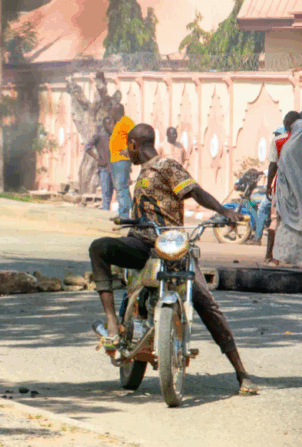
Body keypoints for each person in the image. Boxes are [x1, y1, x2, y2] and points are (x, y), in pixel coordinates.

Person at [88, 123, 258, 395]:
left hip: (172, 245)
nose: (128, 155)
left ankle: (241, 372)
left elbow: (196, 192)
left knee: (206, 303)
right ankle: (112, 322)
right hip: (141, 243)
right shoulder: (143, 171)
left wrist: (224, 211)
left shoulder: (166, 165)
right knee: (99, 248)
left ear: (133, 145)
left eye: (127, 149)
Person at [271, 114, 302, 267]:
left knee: (283, 225)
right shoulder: (290, 146)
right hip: (291, 196)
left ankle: (276, 259)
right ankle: (277, 259)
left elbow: (275, 166)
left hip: (288, 196)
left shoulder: (287, 144)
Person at [109, 105, 135, 218]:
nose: (110, 113)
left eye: (112, 110)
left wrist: (130, 150)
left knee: (121, 187)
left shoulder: (126, 122)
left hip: (122, 160)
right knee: (120, 187)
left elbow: (135, 136)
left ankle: (124, 215)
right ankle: (124, 212)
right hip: (115, 160)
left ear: (116, 111)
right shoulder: (118, 123)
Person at [84, 117, 115, 210]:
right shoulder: (99, 136)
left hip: (115, 168)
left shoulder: (116, 136)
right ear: (104, 125)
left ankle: (108, 211)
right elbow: (87, 147)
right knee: (105, 193)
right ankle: (105, 211)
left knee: (111, 193)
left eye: (112, 123)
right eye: (108, 123)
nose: (110, 125)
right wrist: (97, 158)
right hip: (104, 168)